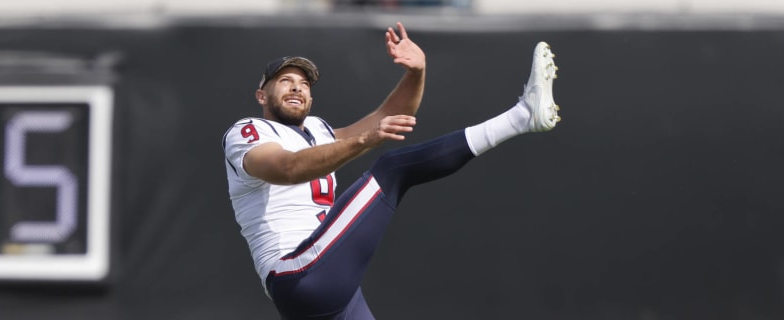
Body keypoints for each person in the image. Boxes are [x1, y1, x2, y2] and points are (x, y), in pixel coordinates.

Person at [222, 22, 560, 319]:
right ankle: (521, 117)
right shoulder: (247, 132)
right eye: (285, 80)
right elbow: (289, 168)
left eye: (304, 83)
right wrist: (365, 140)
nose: (297, 87)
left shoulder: (318, 131)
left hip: (325, 282)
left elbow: (391, 115)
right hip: (297, 271)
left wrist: (416, 72)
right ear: (261, 95)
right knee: (393, 168)